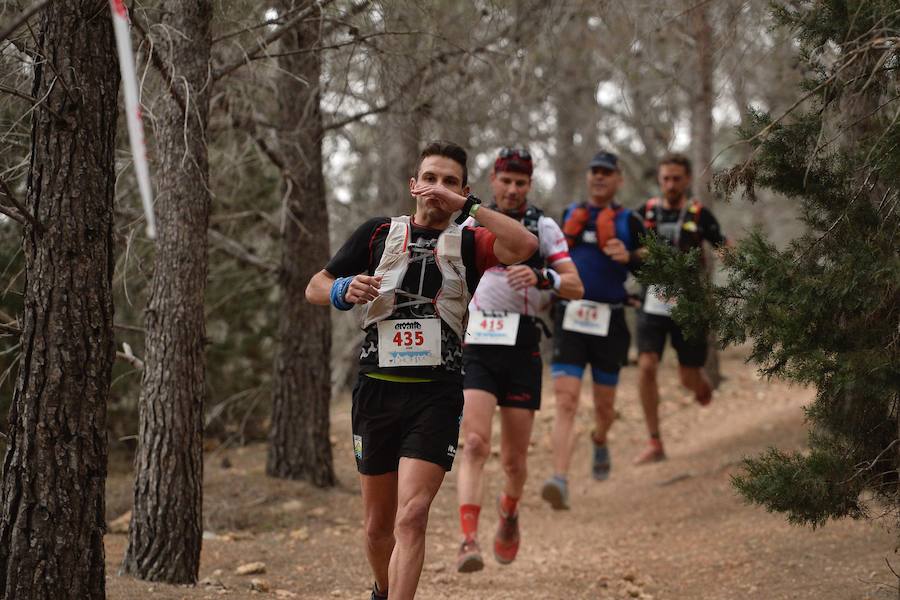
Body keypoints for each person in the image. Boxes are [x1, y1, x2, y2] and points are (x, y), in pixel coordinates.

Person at [305, 140, 537, 600]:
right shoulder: (377, 234)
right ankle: (382, 587)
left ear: (464, 190)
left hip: (437, 393)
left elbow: (525, 245)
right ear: (414, 184)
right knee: (377, 529)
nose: (438, 188)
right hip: (376, 391)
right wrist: (343, 288)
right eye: (430, 178)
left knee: (412, 516)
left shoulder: (471, 242)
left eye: (450, 182)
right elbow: (316, 284)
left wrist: (472, 209)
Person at [455, 148, 584, 573]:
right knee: (474, 443)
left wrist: (542, 275)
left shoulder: (542, 227)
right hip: (476, 342)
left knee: (514, 461)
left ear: (529, 185)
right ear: (493, 180)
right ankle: (467, 539)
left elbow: (575, 286)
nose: (512, 189)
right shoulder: (471, 223)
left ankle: (508, 512)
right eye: (506, 181)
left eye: (520, 183)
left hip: (523, 344)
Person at [540, 150, 645, 510]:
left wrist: (630, 258)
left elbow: (656, 264)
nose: (599, 177)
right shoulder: (569, 215)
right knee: (566, 400)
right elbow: (550, 258)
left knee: (604, 406)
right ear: (588, 177)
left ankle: (600, 439)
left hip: (610, 321)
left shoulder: (630, 221)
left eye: (606, 172)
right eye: (594, 171)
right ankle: (560, 478)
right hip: (570, 317)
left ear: (619, 179)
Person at [632, 153, 729, 465]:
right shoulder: (644, 213)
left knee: (688, 377)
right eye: (665, 179)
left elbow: (723, 245)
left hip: (689, 301)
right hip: (652, 299)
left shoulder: (700, 214)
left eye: (676, 178)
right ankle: (654, 441)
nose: (671, 184)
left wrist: (739, 259)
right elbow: (625, 249)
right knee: (646, 365)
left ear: (687, 180)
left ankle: (700, 385)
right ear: (659, 180)